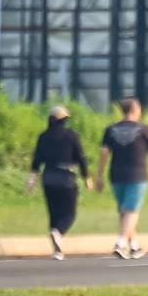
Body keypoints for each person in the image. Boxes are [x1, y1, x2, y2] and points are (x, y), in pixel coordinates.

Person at [96, 99, 148, 261]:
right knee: (132, 211)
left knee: (125, 211)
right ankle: (120, 243)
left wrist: (99, 176)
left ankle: (134, 246)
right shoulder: (144, 129)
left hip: (116, 174)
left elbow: (104, 153)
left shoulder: (110, 129)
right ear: (135, 109)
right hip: (137, 174)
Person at [31, 105, 89, 256]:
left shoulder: (43, 136)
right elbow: (81, 157)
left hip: (48, 177)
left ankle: (57, 250)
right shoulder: (71, 135)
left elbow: (36, 160)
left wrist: (32, 179)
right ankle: (58, 232)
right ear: (64, 120)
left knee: (54, 213)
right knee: (70, 213)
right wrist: (86, 177)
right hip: (66, 178)